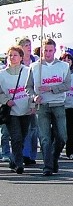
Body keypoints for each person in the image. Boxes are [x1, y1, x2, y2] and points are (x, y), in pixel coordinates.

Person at [25, 38, 71, 176]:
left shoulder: (63, 66)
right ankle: (47, 165)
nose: (48, 53)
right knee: (44, 137)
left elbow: (67, 85)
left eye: (50, 50)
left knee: (62, 136)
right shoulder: (34, 67)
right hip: (42, 106)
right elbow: (28, 87)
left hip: (58, 104)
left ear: (55, 51)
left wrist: (50, 88)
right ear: (41, 51)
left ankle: (53, 158)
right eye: (45, 50)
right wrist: (33, 97)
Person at [0, 46, 34, 174]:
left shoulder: (28, 71)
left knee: (23, 135)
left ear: (21, 57)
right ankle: (19, 164)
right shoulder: (1, 74)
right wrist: (6, 100)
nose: (12, 58)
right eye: (10, 55)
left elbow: (32, 88)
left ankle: (14, 160)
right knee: (16, 137)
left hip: (25, 110)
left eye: (15, 55)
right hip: (11, 111)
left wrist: (32, 105)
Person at [17, 37, 38, 166]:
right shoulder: (16, 62)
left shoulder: (36, 61)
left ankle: (31, 154)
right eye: (25, 45)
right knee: (23, 128)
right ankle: (23, 154)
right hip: (19, 99)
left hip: (33, 97)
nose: (29, 47)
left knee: (33, 128)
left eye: (30, 45)